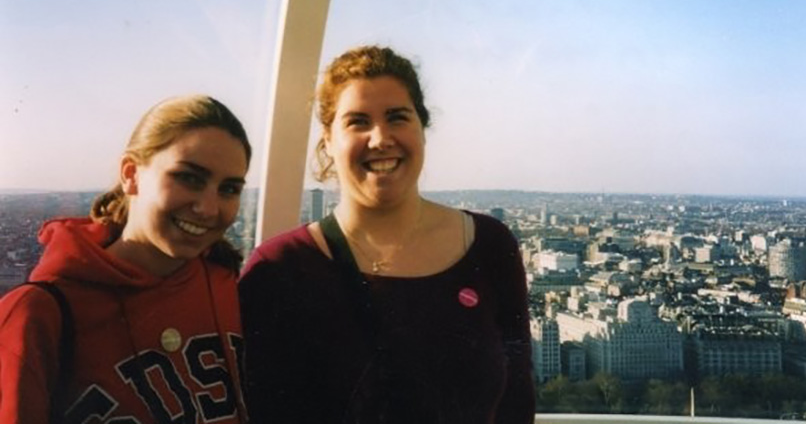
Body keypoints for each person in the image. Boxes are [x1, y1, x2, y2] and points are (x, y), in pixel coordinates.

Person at [240, 46, 535, 423]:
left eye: (397, 117)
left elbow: (517, 403)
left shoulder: (491, 247)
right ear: (328, 140)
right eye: (357, 121)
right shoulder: (281, 268)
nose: (380, 138)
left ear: (422, 129)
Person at [0, 95, 251, 424]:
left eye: (229, 189)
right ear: (131, 174)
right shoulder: (39, 313)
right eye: (189, 177)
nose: (208, 208)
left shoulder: (228, 284)